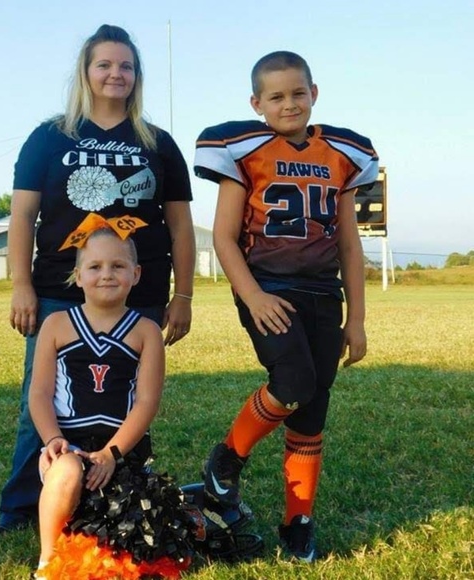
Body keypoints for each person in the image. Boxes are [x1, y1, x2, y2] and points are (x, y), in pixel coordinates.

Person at [0, 23, 196, 532]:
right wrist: (21, 285)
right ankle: (22, 505)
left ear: (137, 75)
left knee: (125, 401)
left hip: (138, 294)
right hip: (59, 293)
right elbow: (23, 217)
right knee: (43, 401)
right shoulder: (50, 137)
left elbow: (180, 227)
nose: (115, 74)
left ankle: (122, 504)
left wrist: (183, 295)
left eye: (126, 65)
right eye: (104, 64)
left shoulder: (158, 144)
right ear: (85, 71)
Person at [193, 51, 378, 562]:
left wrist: (357, 319)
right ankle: (228, 456)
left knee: (312, 410)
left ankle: (298, 521)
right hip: (268, 287)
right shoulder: (244, 149)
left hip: (323, 291)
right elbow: (225, 238)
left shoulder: (342, 153)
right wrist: (252, 295)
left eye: (298, 93)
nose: (289, 104)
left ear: (313, 93)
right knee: (293, 382)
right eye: (276, 96)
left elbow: (349, 245)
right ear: (257, 103)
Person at [28, 224, 165, 575]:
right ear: (78, 276)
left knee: (131, 547)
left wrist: (112, 453)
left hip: (122, 449)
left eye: (118, 266)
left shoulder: (147, 330)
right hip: (69, 445)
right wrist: (53, 440)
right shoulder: (56, 324)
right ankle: (47, 562)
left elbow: (147, 402)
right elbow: (39, 393)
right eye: (94, 266)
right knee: (67, 471)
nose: (106, 274)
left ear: (136, 274)